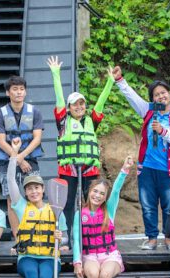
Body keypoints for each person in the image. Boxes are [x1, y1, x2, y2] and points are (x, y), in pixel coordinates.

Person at [112, 66, 170, 250]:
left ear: (169, 94)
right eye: (156, 95)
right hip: (146, 167)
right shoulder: (148, 110)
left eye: (163, 93)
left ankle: (169, 238)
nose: (161, 97)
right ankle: (152, 238)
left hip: (169, 170)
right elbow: (132, 96)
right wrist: (119, 80)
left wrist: (163, 131)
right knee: (148, 205)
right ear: (152, 98)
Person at [47, 56, 115, 238]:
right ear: (69, 107)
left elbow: (101, 103)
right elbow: (59, 98)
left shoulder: (91, 121)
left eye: (82, 103)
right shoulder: (63, 120)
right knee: (68, 203)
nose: (79, 106)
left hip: (89, 169)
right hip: (68, 169)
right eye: (75, 104)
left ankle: (92, 233)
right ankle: (68, 236)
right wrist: (56, 73)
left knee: (93, 201)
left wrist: (110, 81)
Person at [7, 137, 68, 278]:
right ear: (25, 193)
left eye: (37, 188)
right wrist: (14, 153)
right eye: (30, 189)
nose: (33, 192)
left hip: (50, 256)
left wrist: (61, 238)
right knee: (32, 273)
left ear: (43, 190)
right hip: (27, 256)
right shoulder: (21, 206)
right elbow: (10, 180)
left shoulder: (56, 209)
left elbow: (65, 238)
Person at [73, 155, 134, 278]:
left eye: (102, 193)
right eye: (95, 191)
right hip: (89, 256)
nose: (97, 195)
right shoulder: (80, 214)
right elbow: (76, 240)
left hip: (110, 256)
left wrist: (124, 170)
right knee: (93, 274)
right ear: (89, 192)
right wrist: (77, 262)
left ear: (105, 197)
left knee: (105, 275)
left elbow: (116, 190)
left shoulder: (109, 210)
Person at [0, 75, 44, 238]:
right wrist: (18, 160)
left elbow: (37, 138)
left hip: (30, 159)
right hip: (7, 161)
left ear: (25, 92)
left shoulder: (34, 111)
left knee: (35, 196)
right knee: (12, 200)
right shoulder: (0, 114)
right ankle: (18, 238)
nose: (19, 92)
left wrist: (21, 157)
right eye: (15, 89)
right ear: (8, 93)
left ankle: (36, 234)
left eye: (22, 89)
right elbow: (1, 141)